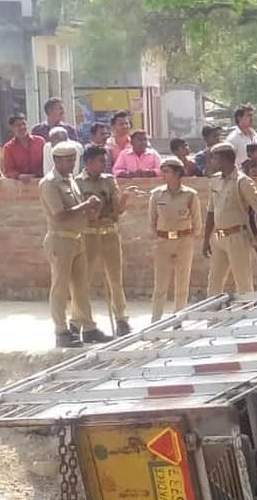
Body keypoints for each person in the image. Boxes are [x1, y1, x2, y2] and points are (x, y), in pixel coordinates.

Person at [39, 141, 111, 348]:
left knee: (81, 286)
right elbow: (59, 214)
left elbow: (78, 209)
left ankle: (87, 326)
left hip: (77, 237)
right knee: (60, 287)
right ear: (57, 160)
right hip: (60, 238)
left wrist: (92, 210)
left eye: (73, 159)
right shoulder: (49, 183)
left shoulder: (70, 180)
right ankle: (61, 330)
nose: (72, 164)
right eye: (68, 160)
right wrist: (85, 205)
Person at [77, 145, 145, 336]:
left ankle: (121, 319)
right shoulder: (77, 183)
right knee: (84, 279)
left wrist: (124, 198)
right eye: (100, 161)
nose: (104, 164)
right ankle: (81, 321)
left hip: (109, 234)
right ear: (89, 162)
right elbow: (80, 212)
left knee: (115, 278)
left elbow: (117, 210)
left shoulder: (109, 180)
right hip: (89, 234)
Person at [204, 143, 257, 296]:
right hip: (219, 237)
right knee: (214, 280)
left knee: (243, 282)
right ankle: (213, 317)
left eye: (214, 158)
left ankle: (249, 316)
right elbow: (211, 211)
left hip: (237, 236)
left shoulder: (242, 181)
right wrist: (206, 239)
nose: (211, 162)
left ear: (223, 160)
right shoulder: (215, 181)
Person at [149, 156, 203, 321]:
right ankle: (155, 320)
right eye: (162, 171)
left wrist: (189, 238)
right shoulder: (156, 195)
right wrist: (157, 238)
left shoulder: (190, 195)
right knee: (160, 285)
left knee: (182, 283)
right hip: (163, 242)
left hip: (183, 241)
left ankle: (179, 319)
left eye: (167, 171)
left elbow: (197, 221)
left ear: (178, 173)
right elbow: (152, 220)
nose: (163, 175)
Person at [3, 114, 46, 181]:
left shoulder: (40, 142)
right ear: (12, 128)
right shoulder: (8, 147)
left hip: (41, 180)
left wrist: (36, 176)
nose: (22, 127)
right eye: (18, 125)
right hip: (19, 184)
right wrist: (19, 176)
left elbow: (47, 162)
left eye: (24, 124)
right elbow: (9, 170)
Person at [225, 105, 257, 170]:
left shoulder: (256, 136)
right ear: (239, 118)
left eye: (252, 115)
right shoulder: (232, 139)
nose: (252, 118)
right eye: (249, 115)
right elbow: (228, 162)